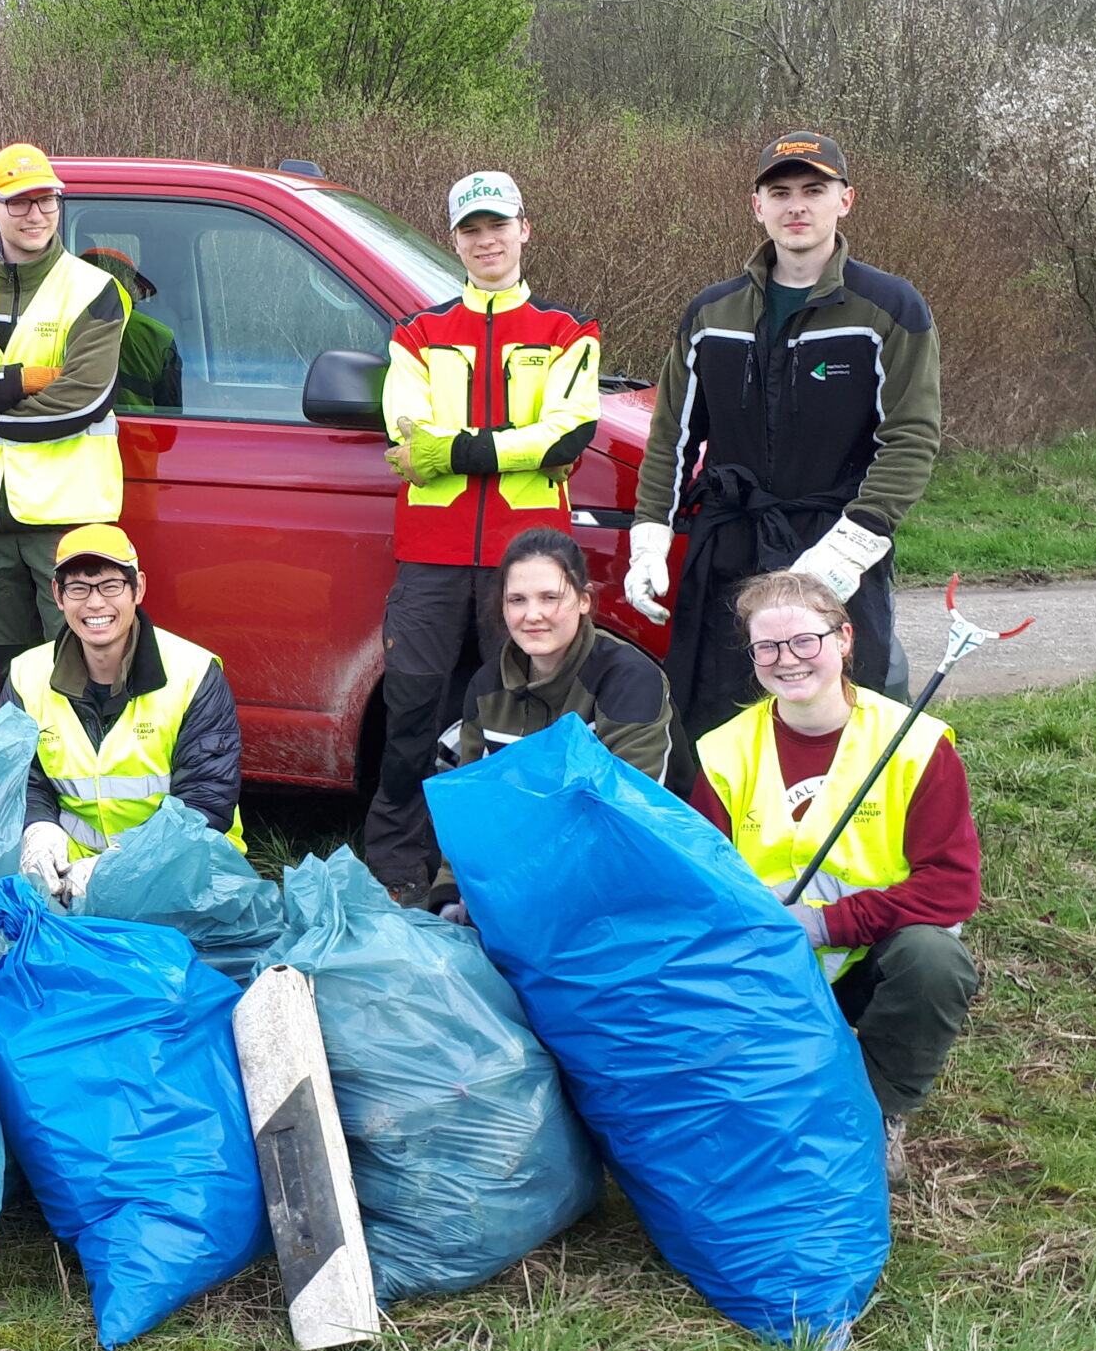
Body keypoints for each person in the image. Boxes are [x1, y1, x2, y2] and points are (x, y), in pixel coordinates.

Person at [627, 131, 941, 748]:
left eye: (814, 190)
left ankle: (842, 837)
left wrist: (851, 548)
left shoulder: (889, 309)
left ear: (844, 201)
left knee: (839, 708)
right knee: (717, 715)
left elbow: (910, 436)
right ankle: (723, 839)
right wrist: (648, 541)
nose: (797, 205)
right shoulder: (710, 315)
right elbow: (673, 437)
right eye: (781, 192)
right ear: (758, 206)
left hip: (835, 537)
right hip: (728, 542)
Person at [691, 570, 980, 1186]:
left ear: (845, 639)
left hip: (868, 960)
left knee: (936, 961)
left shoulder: (916, 744)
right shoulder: (723, 750)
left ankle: (877, 1111)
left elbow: (952, 887)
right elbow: (697, 883)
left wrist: (828, 924)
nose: (787, 660)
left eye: (805, 641)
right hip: (765, 964)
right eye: (766, 647)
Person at [359, 170, 601, 901]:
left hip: (526, 562)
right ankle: (397, 876)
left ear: (525, 229)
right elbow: (406, 433)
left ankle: (506, 872)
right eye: (471, 229)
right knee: (412, 716)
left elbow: (569, 436)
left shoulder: (568, 331)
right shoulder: (417, 334)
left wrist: (458, 452)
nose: (486, 240)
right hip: (431, 558)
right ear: (455, 240)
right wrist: (511, 443)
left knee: (520, 716)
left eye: (498, 225)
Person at [0, 144, 129, 690]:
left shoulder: (95, 290)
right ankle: (22, 777)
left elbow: (79, 402)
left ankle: (79, 777)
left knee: (81, 669)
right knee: (8, 676)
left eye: (47, 200)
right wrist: (17, 381)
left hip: (67, 520)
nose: (35, 214)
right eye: (19, 202)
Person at [429, 527, 674, 922]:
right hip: (519, 888)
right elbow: (469, 811)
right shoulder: (487, 687)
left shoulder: (628, 678)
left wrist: (522, 895)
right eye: (517, 600)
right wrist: (449, 896)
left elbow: (629, 818)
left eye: (550, 598)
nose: (533, 615)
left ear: (583, 600)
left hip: (623, 887)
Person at [7, 524, 243, 906]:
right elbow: (19, 779)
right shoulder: (26, 675)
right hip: (69, 875)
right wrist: (37, 828)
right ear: (58, 596)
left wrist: (123, 866)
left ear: (139, 589)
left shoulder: (193, 673)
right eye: (78, 588)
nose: (95, 604)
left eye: (110, 586)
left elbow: (206, 800)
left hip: (181, 870)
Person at [78, 247, 182, 411]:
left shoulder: (54, 325)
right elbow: (172, 412)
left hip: (76, 432)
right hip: (140, 433)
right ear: (128, 282)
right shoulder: (159, 336)